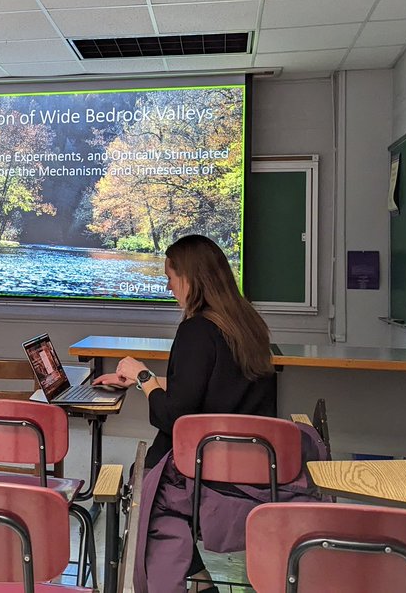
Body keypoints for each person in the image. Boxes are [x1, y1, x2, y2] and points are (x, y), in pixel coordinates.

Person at [93, 234, 275, 593]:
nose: (167, 285)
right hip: (250, 465)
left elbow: (174, 418)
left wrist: (144, 376)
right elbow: (216, 386)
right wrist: (143, 381)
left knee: (146, 481)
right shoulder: (247, 324)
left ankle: (189, 582)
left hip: (206, 467)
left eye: (171, 277)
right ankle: (199, 580)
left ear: (190, 279)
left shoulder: (197, 331)